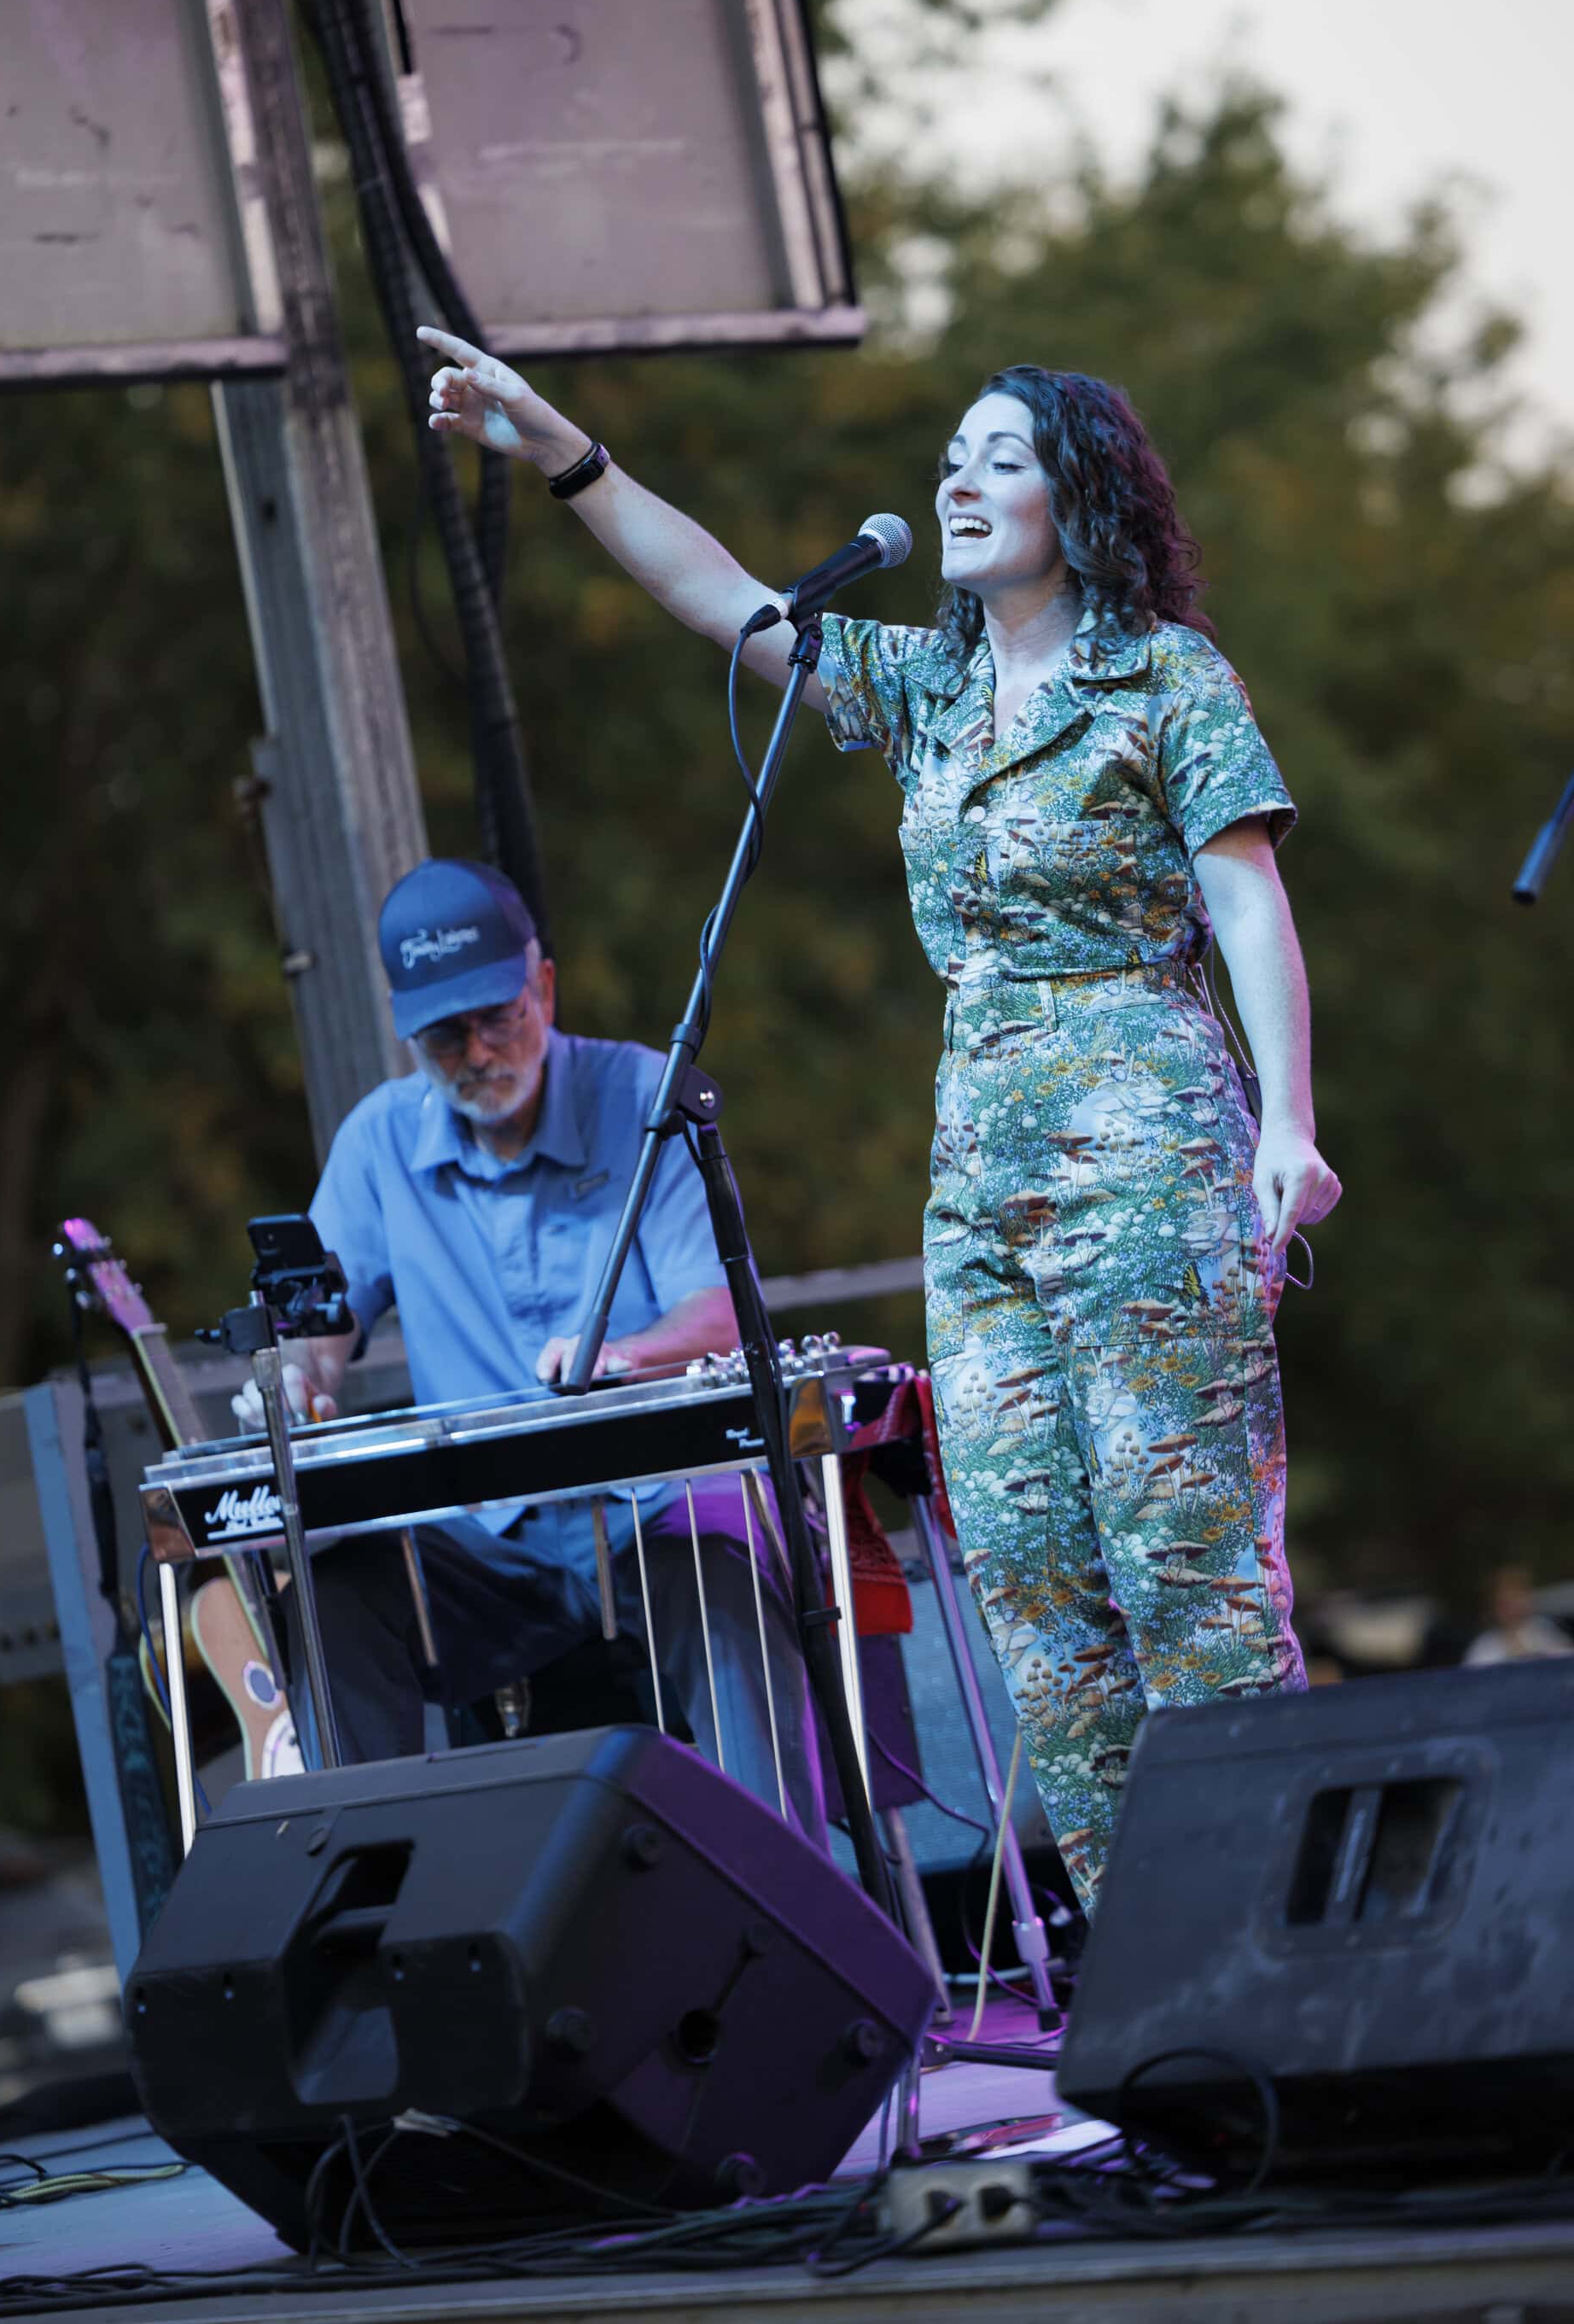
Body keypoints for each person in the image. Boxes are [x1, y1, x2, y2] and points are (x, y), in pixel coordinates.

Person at [415, 324, 1343, 1912]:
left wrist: (1288, 1123)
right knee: (1038, 1584)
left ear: (1082, 496)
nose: (960, 480)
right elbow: (723, 596)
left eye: (1000, 457)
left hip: (1149, 1148)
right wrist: (567, 452)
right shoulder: (927, 683)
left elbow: (1245, 895)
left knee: (1183, 1563)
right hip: (978, 1173)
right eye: (949, 458)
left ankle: (1296, 1943)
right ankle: (1148, 1969)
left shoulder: (1162, 676)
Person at [244, 855, 826, 1841]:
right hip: (487, 1546)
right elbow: (315, 1330)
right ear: (403, 1029)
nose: (476, 1050)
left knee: (720, 1568)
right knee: (335, 1596)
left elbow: (723, 1314)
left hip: (653, 1512)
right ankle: (363, 1908)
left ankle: (801, 1918)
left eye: (498, 1015)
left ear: (544, 984)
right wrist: (293, 1380)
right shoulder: (379, 1142)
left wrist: (625, 1356)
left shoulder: (645, 1093)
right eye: (443, 1032)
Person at [1462, 1566, 1574, 1667]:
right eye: (1506, 1603)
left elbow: (1565, 1664)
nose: (1513, 1609)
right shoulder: (1484, 1648)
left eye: (1517, 1598)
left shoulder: (1544, 1632)